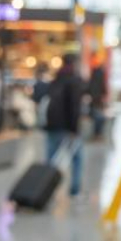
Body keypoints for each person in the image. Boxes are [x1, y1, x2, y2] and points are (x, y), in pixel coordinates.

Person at [42, 53, 85, 200]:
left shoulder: (56, 79)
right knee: (77, 158)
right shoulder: (74, 80)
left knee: (51, 160)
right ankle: (75, 189)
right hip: (66, 125)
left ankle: (44, 189)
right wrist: (74, 129)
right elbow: (74, 107)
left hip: (52, 124)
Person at [88, 64, 108, 139]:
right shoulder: (100, 81)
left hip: (95, 103)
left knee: (97, 119)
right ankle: (98, 134)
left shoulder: (92, 81)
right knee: (99, 119)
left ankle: (97, 134)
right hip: (98, 103)